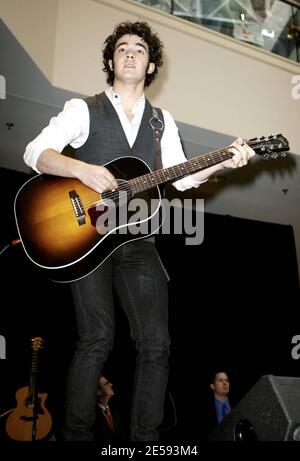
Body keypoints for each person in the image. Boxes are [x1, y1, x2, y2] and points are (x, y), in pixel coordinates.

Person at [23, 21, 255, 441]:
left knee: (157, 343)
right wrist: (83, 170)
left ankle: (145, 441)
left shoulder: (161, 121)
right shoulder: (84, 108)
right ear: (111, 61)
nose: (131, 54)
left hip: (138, 241)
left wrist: (223, 161)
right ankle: (76, 436)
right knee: (97, 336)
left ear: (151, 66)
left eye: (140, 50)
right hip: (87, 239)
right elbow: (34, 151)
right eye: (123, 48)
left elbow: (181, 178)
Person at [94, 375, 125, 442]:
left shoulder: (115, 411)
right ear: (98, 392)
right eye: (106, 384)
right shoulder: (93, 415)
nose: (111, 384)